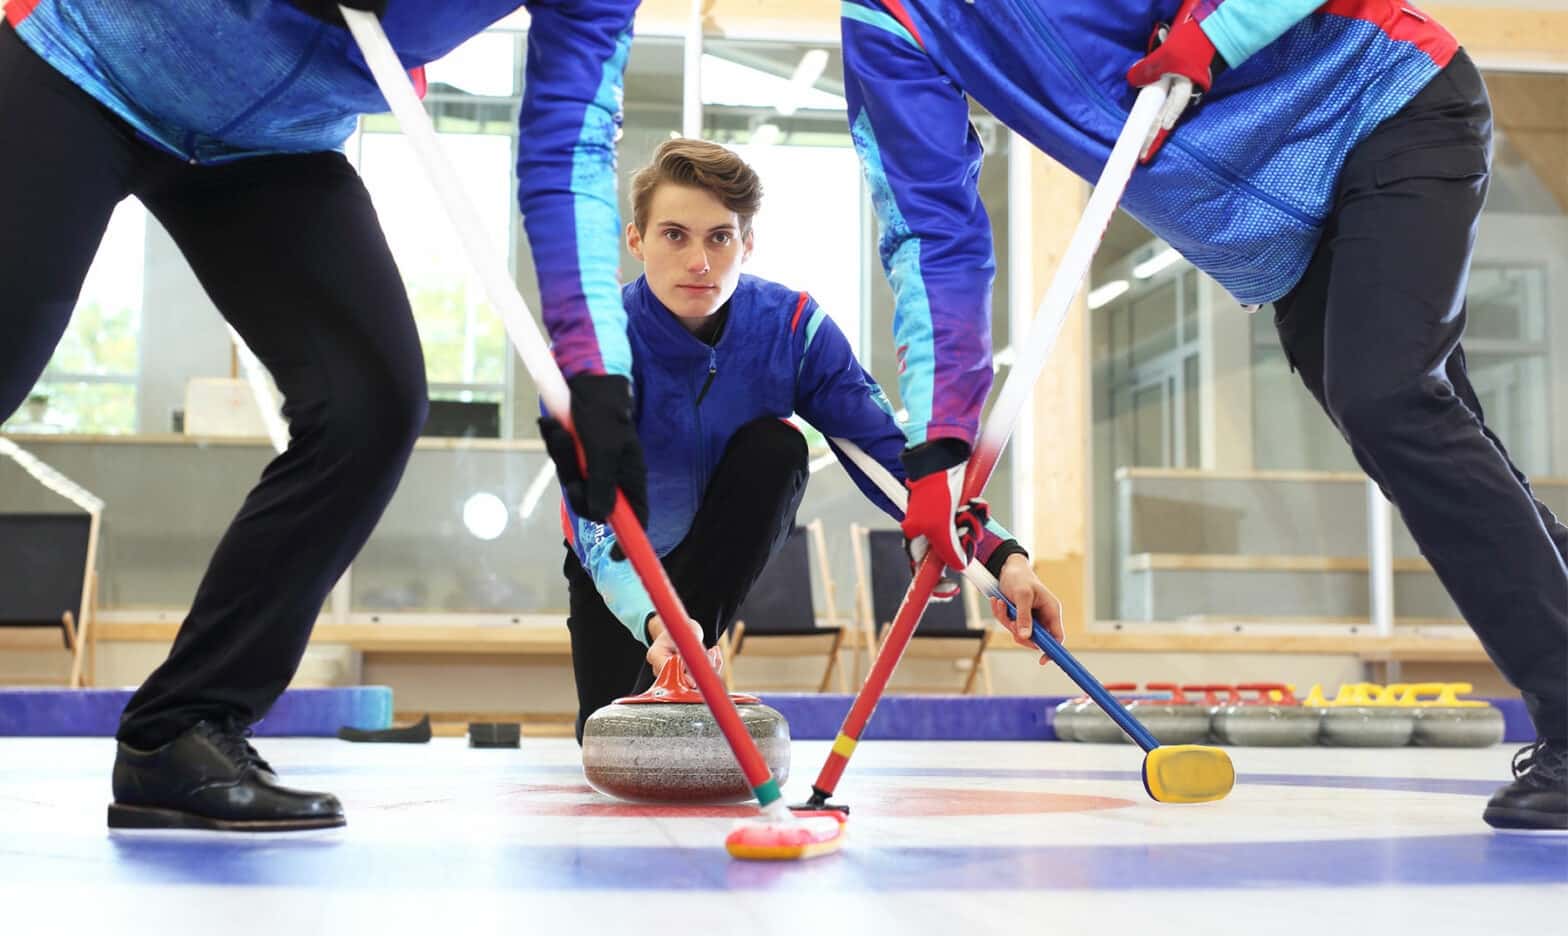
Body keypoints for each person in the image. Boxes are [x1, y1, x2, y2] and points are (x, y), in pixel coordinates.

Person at [838, 0, 1567, 830]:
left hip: (1380, 100)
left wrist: (1220, 30)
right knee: (1427, 433)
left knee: (1389, 398)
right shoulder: (888, 24)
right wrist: (940, 451)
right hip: (1286, 239)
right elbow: (933, 238)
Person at [0, 0, 643, 831]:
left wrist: (594, 371)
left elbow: (570, 146)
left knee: (368, 401)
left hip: (273, 145)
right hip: (93, 59)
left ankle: (182, 732)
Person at [546, 139, 1063, 741]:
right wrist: (655, 616)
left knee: (780, 446)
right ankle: (665, 662)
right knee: (606, 746)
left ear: (748, 243)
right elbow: (596, 518)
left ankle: (686, 661)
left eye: (720, 237)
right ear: (636, 241)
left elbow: (887, 459)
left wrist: (1004, 560)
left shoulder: (791, 327)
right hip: (620, 565)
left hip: (717, 555)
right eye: (674, 235)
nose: (699, 262)